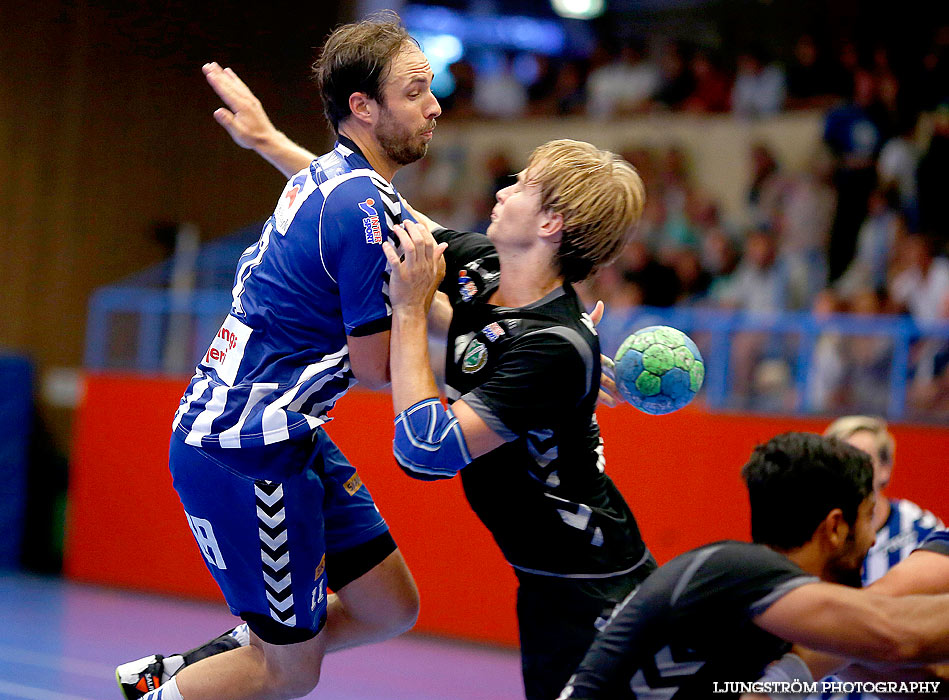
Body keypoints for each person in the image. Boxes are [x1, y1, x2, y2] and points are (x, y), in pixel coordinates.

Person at [115, 12, 441, 700]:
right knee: (290, 672)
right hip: (242, 450)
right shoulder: (361, 208)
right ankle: (169, 693)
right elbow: (380, 367)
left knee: (391, 606)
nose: (433, 106)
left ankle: (183, 673)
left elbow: (428, 300)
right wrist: (416, 307)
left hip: (287, 434)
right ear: (363, 106)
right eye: (414, 91)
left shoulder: (340, 180)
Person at [383, 139, 654, 700]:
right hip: (545, 583)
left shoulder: (556, 345)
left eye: (523, 183)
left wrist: (409, 310)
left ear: (552, 222)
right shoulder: (484, 269)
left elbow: (423, 450)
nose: (503, 189)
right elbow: (370, 205)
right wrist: (266, 140)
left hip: (596, 588)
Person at [558, 432, 949, 699]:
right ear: (834, 526)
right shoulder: (737, 570)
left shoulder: (770, 610)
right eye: (868, 518)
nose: (873, 538)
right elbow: (897, 635)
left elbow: (914, 683)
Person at [823, 415, 944, 585]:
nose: (849, 470)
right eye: (839, 460)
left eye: (862, 459)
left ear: (885, 468)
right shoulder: (813, 531)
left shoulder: (920, 531)